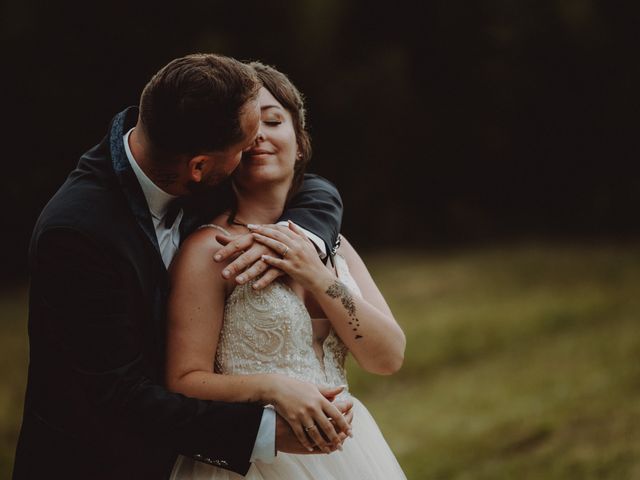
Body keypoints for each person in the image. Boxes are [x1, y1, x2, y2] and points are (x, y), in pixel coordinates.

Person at [13, 53, 352, 480]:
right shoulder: (77, 234)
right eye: (244, 148)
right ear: (199, 168)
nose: (253, 152)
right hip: (98, 462)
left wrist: (298, 237)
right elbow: (116, 394)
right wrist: (266, 429)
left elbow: (311, 185)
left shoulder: (183, 148)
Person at [166, 61, 407, 479]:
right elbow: (184, 379)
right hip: (257, 459)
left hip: (349, 452)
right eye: (244, 127)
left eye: (273, 120)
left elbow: (387, 358)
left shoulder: (334, 244)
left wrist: (315, 273)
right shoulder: (210, 249)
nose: (259, 135)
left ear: (300, 142)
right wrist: (271, 387)